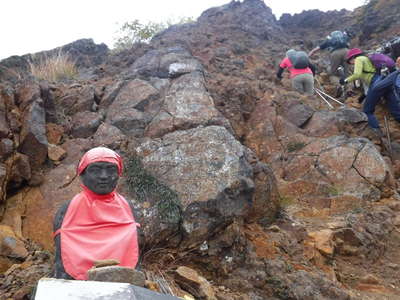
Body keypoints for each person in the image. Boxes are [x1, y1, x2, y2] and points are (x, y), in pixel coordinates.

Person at [53, 147, 140, 280]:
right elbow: (61, 261)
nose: (104, 176)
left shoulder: (129, 209)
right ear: (82, 174)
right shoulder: (67, 211)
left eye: (111, 170)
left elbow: (135, 256)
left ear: (119, 174)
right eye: (95, 170)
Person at [359, 57, 400, 131]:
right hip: (382, 87)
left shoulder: (394, 75)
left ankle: (376, 131)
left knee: (367, 110)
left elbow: (377, 88)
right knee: (396, 111)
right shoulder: (394, 75)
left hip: (378, 87)